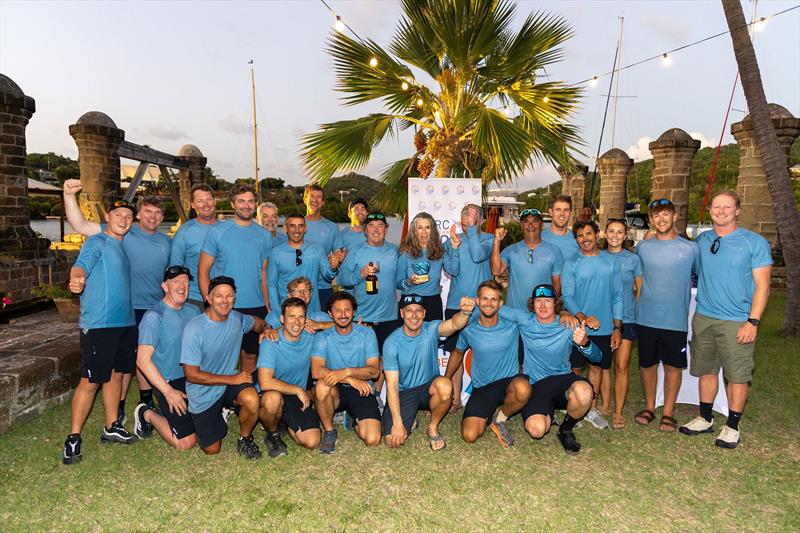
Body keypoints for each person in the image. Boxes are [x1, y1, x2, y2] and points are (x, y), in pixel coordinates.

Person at [63, 181, 171, 424]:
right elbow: (79, 226)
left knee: (136, 361)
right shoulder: (117, 234)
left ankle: (144, 400)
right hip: (124, 309)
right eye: (147, 212)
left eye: (157, 213)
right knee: (118, 370)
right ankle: (118, 410)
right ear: (139, 216)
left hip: (150, 308)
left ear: (162, 216)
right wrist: (69, 196)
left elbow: (173, 274)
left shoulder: (166, 242)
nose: (152, 217)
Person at [679, 191, 771, 449]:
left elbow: (763, 286)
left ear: (737, 210)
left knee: (737, 375)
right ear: (710, 211)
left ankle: (732, 425)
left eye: (727, 207)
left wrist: (752, 322)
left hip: (737, 321)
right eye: (716, 207)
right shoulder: (703, 240)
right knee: (706, 370)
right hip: (705, 317)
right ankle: (705, 418)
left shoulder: (754, 243)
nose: (721, 211)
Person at [62, 200, 139, 465]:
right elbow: (81, 265)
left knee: (116, 376)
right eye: (119, 214)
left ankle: (111, 426)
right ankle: (73, 437)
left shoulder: (123, 245)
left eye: (129, 216)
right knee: (91, 380)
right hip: (100, 324)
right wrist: (77, 278)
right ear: (108, 217)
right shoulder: (97, 241)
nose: (124, 219)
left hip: (125, 323)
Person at [500, 284, 599, 454]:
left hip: (562, 381)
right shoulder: (525, 320)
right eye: (539, 301)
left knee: (584, 393)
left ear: (556, 304)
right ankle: (548, 414)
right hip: (537, 385)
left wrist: (585, 343)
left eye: (548, 301)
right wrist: (474, 301)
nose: (543, 306)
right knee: (536, 430)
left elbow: (598, 358)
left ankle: (565, 429)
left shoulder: (568, 325)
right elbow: (494, 307)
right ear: (532, 304)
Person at [180, 276, 271, 459]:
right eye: (219, 296)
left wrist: (267, 329)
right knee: (212, 450)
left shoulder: (236, 319)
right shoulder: (195, 328)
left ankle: (245, 439)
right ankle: (213, 415)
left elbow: (257, 323)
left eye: (229, 296)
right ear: (208, 298)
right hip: (203, 391)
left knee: (251, 398)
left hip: (229, 383)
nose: (224, 301)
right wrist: (232, 379)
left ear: (234, 299)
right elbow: (191, 375)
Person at [634, 199, 699, 432]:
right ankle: (650, 407)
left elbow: (704, 277)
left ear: (675, 217)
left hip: (675, 320)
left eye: (665, 214)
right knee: (647, 365)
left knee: (673, 366)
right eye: (656, 215)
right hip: (646, 317)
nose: (661, 219)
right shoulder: (643, 248)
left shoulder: (691, 249)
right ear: (651, 220)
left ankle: (668, 412)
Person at [383, 294, 476, 451]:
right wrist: (398, 423)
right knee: (393, 440)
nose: (414, 316)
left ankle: (432, 427)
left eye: (418, 311)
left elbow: (454, 324)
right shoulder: (392, 343)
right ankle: (410, 418)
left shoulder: (431, 329)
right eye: (409, 311)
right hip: (404, 392)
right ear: (402, 314)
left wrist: (465, 312)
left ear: (424, 314)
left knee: (445, 385)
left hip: (428, 389)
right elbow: (391, 386)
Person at [445, 281, 531, 446]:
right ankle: (489, 413)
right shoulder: (469, 329)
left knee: (523, 387)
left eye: (493, 299)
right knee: (469, 435)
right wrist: (447, 379)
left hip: (508, 382)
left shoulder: (513, 325)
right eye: (484, 299)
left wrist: (562, 312)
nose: (489, 303)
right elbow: (457, 353)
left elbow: (540, 317)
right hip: (482, 388)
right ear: (477, 301)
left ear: (501, 303)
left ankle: (500, 418)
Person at [198, 184, 272, 374]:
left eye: (250, 201)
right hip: (225, 304)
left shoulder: (264, 235)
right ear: (232, 204)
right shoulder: (217, 232)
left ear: (256, 204)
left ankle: (246, 395)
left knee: (250, 355)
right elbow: (203, 271)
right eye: (241, 201)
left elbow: (263, 273)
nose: (246, 206)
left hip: (255, 305)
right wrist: (210, 302)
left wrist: (267, 304)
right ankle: (221, 398)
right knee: (222, 354)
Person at [562, 220, 623, 430]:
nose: (585, 239)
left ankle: (591, 408)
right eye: (580, 235)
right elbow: (568, 296)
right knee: (575, 368)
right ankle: (573, 406)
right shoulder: (571, 263)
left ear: (597, 235)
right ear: (576, 239)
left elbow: (617, 297)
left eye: (588, 234)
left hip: (604, 328)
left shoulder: (610, 262)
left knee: (597, 368)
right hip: (579, 327)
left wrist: (617, 328)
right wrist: (583, 317)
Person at [133, 265, 202, 450]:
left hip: (193, 377)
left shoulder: (194, 312)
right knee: (186, 442)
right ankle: (146, 412)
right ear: (165, 286)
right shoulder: (154, 317)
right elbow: (142, 361)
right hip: (169, 381)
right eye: (176, 282)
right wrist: (168, 391)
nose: (182, 286)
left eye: (186, 282)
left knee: (207, 433)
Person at [312, 292, 382, 453]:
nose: (343, 315)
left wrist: (346, 372)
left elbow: (374, 371)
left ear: (354, 312)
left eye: (347, 310)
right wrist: (349, 379)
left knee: (373, 439)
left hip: (362, 388)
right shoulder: (322, 337)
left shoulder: (367, 334)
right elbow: (316, 371)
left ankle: (352, 418)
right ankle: (330, 431)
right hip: (335, 389)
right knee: (322, 386)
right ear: (330, 314)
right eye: (337, 310)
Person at [442, 204, 494, 410]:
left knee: (486, 353)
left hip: (484, 307)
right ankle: (454, 399)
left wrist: (472, 230)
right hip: (457, 305)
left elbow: (477, 255)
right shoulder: (452, 241)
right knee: (456, 352)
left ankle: (486, 397)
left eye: (472, 215)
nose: (467, 217)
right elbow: (452, 270)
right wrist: (453, 249)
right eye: (464, 213)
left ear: (480, 220)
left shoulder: (489, 239)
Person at [257, 297, 321, 457]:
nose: (297, 322)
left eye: (301, 317)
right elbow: (265, 382)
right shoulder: (271, 340)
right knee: (273, 400)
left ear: (306, 319)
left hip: (294, 397)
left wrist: (320, 325)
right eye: (291, 316)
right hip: (273, 392)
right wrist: (298, 390)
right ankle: (272, 433)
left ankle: (285, 422)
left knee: (312, 441)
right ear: (282, 319)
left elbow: (341, 325)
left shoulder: (310, 336)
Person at [337, 212, 400, 356]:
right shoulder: (356, 251)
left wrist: (414, 283)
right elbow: (341, 279)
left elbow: (400, 280)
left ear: (386, 229)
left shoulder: (394, 251)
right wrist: (360, 274)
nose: (376, 230)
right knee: (363, 362)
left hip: (389, 318)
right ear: (365, 230)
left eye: (380, 225)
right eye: (371, 226)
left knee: (387, 363)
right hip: (362, 318)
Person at [603, 219, 642, 429]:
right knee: (603, 365)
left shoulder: (633, 260)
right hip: (602, 318)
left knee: (621, 365)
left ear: (625, 234)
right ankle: (605, 404)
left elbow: (640, 290)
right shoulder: (599, 257)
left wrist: (631, 312)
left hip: (626, 319)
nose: (615, 235)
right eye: (611, 231)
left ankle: (618, 412)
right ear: (605, 233)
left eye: (619, 232)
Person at [267, 213, 344, 315]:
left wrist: (333, 267)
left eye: (301, 226)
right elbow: (272, 284)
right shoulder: (276, 252)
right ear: (285, 228)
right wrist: (277, 311)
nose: (297, 230)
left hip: (312, 311)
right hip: (287, 312)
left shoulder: (317, 249)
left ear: (306, 228)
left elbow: (328, 276)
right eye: (292, 226)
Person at [491, 208, 564, 310]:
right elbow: (496, 271)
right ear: (521, 225)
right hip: (514, 314)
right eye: (526, 222)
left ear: (541, 225)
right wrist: (496, 242)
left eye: (535, 221)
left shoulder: (554, 251)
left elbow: (556, 286)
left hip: (540, 314)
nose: (530, 225)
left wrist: (549, 309)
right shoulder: (511, 250)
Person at [397, 212, 459, 321]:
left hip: (433, 302)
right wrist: (410, 282)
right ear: (414, 231)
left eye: (427, 227)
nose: (424, 232)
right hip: (410, 302)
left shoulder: (440, 252)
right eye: (420, 228)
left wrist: (454, 248)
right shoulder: (406, 253)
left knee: (433, 337)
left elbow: (454, 271)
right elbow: (398, 283)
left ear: (433, 230)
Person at [170, 184, 220, 309]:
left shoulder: (227, 230)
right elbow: (175, 269)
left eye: (208, 199)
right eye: (200, 201)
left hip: (223, 298)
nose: (205, 204)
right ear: (193, 205)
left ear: (215, 201)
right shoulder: (185, 231)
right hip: (194, 300)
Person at [303, 183, 344, 310]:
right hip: (299, 288)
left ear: (323, 202)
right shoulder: (296, 226)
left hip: (323, 287)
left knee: (324, 325)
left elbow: (338, 254)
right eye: (312, 196)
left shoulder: (331, 227)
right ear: (305, 199)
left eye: (319, 197)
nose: (315, 200)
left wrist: (338, 260)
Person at [265, 276, 333, 331]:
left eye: (305, 290)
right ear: (289, 295)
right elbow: (266, 334)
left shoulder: (318, 316)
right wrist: (298, 326)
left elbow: (341, 325)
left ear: (310, 295)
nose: (302, 294)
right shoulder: (275, 316)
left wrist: (320, 325)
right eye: (297, 291)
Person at [542, 195, 581, 262]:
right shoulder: (540, 238)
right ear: (551, 212)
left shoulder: (578, 239)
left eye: (566, 210)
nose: (562, 214)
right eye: (558, 210)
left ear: (570, 213)